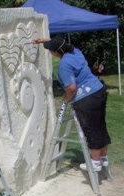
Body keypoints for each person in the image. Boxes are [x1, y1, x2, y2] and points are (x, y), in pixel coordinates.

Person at [33, 35, 111, 171]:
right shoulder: (75, 51)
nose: (49, 52)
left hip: (87, 98)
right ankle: (103, 157)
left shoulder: (64, 65)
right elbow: (60, 44)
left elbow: (71, 88)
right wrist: (44, 41)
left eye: (50, 50)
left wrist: (66, 98)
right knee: (100, 125)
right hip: (98, 90)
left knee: (91, 129)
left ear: (57, 52)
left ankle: (95, 162)